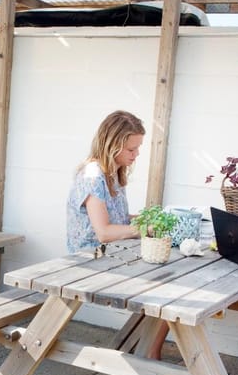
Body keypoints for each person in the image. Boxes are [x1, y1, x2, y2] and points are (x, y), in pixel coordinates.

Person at [66, 109, 168, 359]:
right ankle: (150, 354)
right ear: (113, 145)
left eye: (138, 148)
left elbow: (118, 221)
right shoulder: (92, 175)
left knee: (169, 278)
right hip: (91, 260)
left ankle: (147, 351)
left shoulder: (113, 173)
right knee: (168, 286)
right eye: (132, 149)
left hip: (113, 254)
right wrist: (146, 228)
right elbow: (103, 232)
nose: (136, 154)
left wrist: (147, 219)